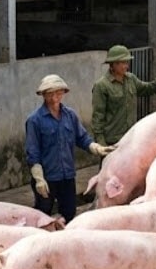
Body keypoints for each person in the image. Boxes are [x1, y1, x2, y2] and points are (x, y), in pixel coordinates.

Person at [26, 74, 114, 223]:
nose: (55, 97)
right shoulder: (34, 120)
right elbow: (32, 152)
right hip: (47, 177)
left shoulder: (70, 115)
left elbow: (82, 138)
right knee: (43, 215)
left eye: (58, 92)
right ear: (43, 95)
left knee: (69, 212)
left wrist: (96, 148)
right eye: (50, 93)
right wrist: (39, 179)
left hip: (67, 176)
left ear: (63, 93)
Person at [91, 45, 156, 146]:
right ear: (114, 64)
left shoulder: (131, 79)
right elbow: (97, 118)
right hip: (112, 141)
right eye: (123, 63)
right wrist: (102, 145)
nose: (126, 66)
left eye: (127, 62)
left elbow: (149, 88)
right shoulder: (102, 86)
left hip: (131, 138)